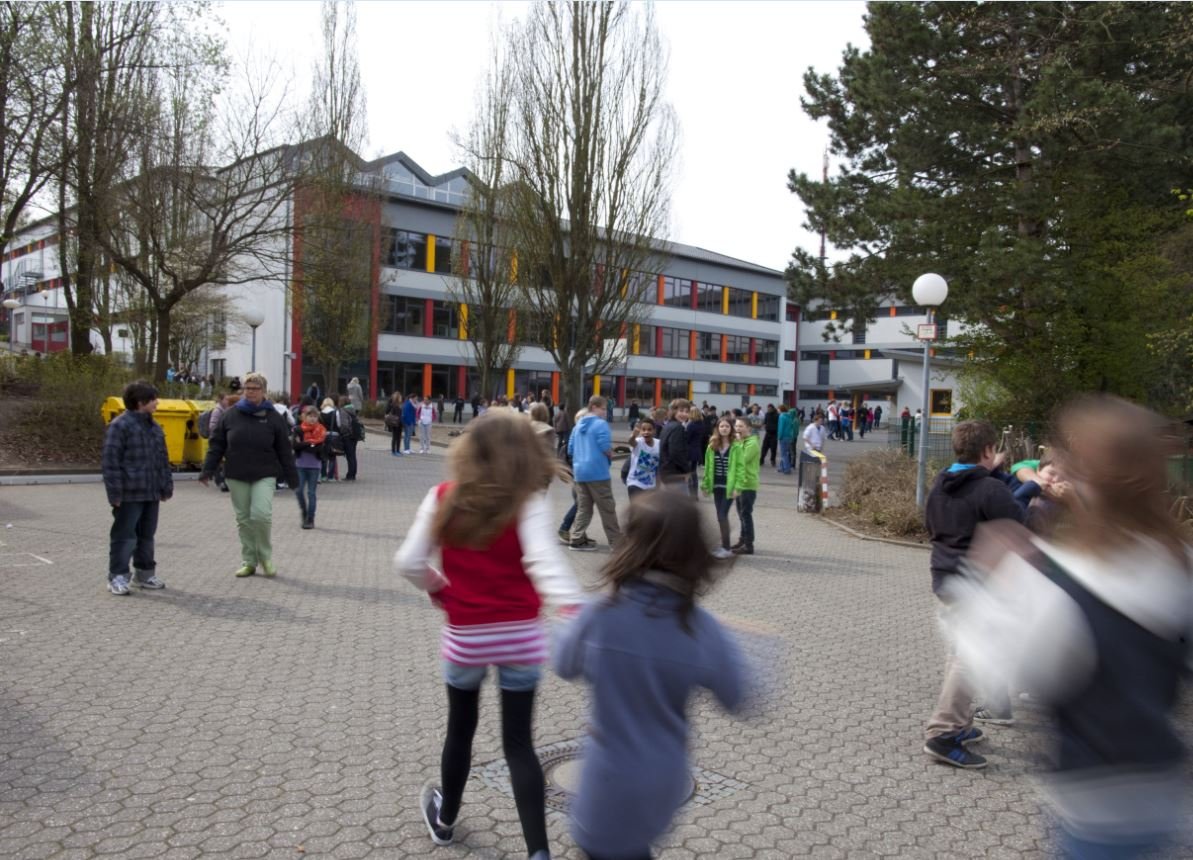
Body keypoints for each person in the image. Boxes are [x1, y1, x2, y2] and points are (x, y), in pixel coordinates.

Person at [959, 396, 1192, 854]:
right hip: (1165, 792)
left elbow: (995, 671)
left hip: (1094, 809)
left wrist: (986, 583)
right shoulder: (1180, 562)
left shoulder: (1057, 584)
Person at [394, 410, 584, 860]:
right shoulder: (528, 502)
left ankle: (445, 821)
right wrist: (577, 609)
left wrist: (439, 588)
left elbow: (408, 562)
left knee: (460, 730)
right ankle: (538, 852)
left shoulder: (443, 497)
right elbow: (544, 563)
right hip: (521, 637)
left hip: (467, 636)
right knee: (519, 744)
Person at [554, 492, 748, 860]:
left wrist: (568, 621)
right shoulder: (699, 627)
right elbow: (737, 695)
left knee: (604, 849)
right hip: (665, 780)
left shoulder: (600, 614)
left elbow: (564, 664)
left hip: (607, 778)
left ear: (631, 546)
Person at [921, 420, 1023, 769]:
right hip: (977, 585)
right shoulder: (991, 490)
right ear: (988, 451)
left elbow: (930, 526)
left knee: (960, 652)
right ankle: (943, 733)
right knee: (970, 657)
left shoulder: (940, 482)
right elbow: (1017, 527)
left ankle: (960, 724)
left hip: (945, 579)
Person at [201, 373, 299, 578]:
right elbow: (217, 444)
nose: (250, 392)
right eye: (247, 388)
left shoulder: (273, 416)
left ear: (263, 391)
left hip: (264, 473)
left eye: (255, 388)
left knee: (261, 515)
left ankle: (265, 557)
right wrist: (207, 470)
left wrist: (292, 477)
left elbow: (284, 449)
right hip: (237, 473)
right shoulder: (231, 415)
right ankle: (249, 560)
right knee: (244, 519)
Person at [101, 381, 173, 596]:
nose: (157, 402)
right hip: (129, 494)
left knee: (146, 535)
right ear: (140, 402)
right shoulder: (119, 426)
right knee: (125, 536)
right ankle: (118, 576)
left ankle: (145, 574)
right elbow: (110, 462)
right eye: (153, 399)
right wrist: (114, 493)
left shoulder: (155, 426)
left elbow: (162, 459)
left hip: (150, 492)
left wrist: (165, 485)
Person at [567, 395, 621, 552]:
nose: (605, 412)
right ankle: (616, 542)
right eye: (603, 409)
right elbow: (605, 447)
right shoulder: (601, 424)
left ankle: (576, 539)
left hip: (580, 472)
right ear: (594, 407)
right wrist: (610, 454)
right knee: (607, 508)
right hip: (598, 472)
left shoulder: (577, 426)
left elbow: (570, 449)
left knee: (584, 507)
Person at [701, 417, 737, 559]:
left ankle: (727, 548)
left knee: (722, 515)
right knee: (720, 516)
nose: (724, 429)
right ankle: (724, 546)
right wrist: (705, 485)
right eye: (721, 426)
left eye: (727, 426)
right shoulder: (712, 446)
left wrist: (737, 487)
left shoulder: (736, 447)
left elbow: (740, 468)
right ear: (717, 428)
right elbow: (708, 467)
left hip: (729, 487)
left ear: (731, 429)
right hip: (717, 486)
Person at [729, 417, 760, 556]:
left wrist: (738, 442)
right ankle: (742, 540)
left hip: (748, 484)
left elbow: (742, 459)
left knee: (745, 514)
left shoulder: (752, 443)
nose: (738, 429)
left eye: (741, 426)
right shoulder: (740, 442)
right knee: (741, 514)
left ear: (749, 428)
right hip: (739, 484)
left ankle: (749, 545)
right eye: (736, 426)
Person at [292, 406, 326, 529]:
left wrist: (305, 444)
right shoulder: (298, 429)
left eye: (314, 416)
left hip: (314, 466)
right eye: (309, 416)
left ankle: (310, 519)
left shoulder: (321, 430)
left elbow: (319, 448)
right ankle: (304, 512)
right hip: (300, 465)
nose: (312, 419)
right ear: (304, 417)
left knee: (311, 493)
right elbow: (295, 445)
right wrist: (310, 444)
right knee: (298, 490)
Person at [657, 399, 692, 492]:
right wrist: (687, 470)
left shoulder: (668, 426)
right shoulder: (678, 428)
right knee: (681, 505)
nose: (684, 414)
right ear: (673, 411)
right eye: (681, 411)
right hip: (675, 474)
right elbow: (676, 452)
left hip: (666, 472)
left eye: (687, 411)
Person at [621, 419, 660, 498]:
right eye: (643, 430)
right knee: (637, 508)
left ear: (654, 431)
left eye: (649, 429)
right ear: (640, 431)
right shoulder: (639, 442)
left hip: (651, 484)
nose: (646, 432)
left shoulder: (659, 444)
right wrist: (633, 435)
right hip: (635, 482)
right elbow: (631, 442)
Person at [798, 413, 828, 492]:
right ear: (815, 420)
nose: (821, 422)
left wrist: (822, 447)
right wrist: (811, 444)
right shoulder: (810, 427)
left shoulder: (822, 428)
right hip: (811, 448)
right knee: (811, 463)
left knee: (818, 464)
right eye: (820, 421)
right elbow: (805, 437)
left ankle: (816, 477)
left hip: (819, 448)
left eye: (822, 421)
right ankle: (810, 478)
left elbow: (823, 438)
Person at [337, 397, 360, 481]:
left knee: (349, 456)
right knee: (353, 455)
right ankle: (353, 473)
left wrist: (343, 433)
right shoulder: (352, 409)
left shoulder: (343, 411)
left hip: (348, 436)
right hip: (355, 435)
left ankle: (350, 475)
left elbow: (344, 425)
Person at [319, 397, 341, 482]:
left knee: (324, 456)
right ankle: (331, 476)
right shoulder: (336, 412)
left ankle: (323, 476)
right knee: (332, 456)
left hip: (323, 436)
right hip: (334, 435)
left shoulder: (320, 413)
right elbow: (339, 424)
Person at [777, 405, 797, 475]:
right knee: (786, 452)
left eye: (778, 409)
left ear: (781, 409)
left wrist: (779, 436)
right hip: (789, 437)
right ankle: (782, 467)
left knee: (783, 454)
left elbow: (781, 427)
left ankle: (787, 469)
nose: (777, 410)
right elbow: (792, 427)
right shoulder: (789, 417)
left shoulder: (781, 416)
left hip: (783, 437)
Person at [386, 392, 404, 456]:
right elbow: (391, 413)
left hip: (400, 423)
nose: (401, 398)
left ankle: (398, 450)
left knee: (399, 438)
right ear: (397, 398)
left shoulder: (400, 405)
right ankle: (393, 451)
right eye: (400, 397)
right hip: (395, 423)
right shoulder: (393, 405)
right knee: (395, 437)